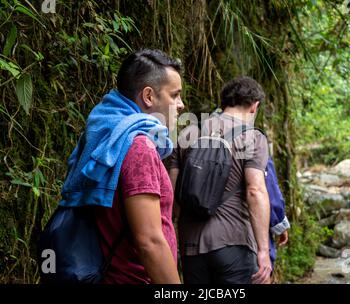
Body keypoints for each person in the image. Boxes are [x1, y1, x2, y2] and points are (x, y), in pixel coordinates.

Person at [59, 49, 184, 283]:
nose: (181, 105)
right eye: (175, 95)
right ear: (148, 96)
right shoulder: (139, 147)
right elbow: (150, 241)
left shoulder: (107, 136)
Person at [169, 76, 287, 284]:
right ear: (254, 106)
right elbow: (255, 191)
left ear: (222, 103)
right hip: (234, 242)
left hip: (191, 245)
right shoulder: (252, 137)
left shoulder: (187, 134)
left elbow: (172, 195)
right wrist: (263, 250)